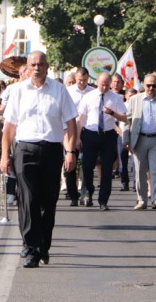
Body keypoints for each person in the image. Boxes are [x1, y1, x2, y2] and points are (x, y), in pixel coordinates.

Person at [0, 51, 77, 268]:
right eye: (33, 64)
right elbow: (9, 128)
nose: (36, 68)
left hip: (52, 150)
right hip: (25, 150)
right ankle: (32, 246)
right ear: (28, 66)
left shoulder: (59, 90)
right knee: (28, 198)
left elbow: (70, 123)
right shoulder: (18, 91)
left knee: (48, 201)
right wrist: (5, 156)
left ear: (47, 66)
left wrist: (70, 152)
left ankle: (44, 245)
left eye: (40, 64)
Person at [76, 72, 127, 210]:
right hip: (90, 134)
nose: (104, 87)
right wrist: (77, 137)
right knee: (87, 166)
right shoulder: (89, 97)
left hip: (108, 135)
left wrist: (112, 113)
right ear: (97, 82)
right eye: (101, 84)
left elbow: (124, 118)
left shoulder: (115, 98)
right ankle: (87, 193)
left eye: (106, 85)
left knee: (106, 169)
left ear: (110, 83)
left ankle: (103, 200)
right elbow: (81, 118)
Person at [124, 73, 156, 210]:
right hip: (139, 139)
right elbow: (127, 121)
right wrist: (126, 138)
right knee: (140, 170)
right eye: (148, 85)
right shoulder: (134, 100)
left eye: (154, 85)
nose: (151, 88)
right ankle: (142, 200)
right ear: (143, 86)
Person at [65, 67, 94, 206]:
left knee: (87, 164)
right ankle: (73, 195)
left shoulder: (93, 92)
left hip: (88, 131)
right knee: (70, 164)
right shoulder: (68, 92)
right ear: (75, 79)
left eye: (84, 80)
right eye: (79, 80)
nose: (82, 83)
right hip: (71, 130)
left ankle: (86, 192)